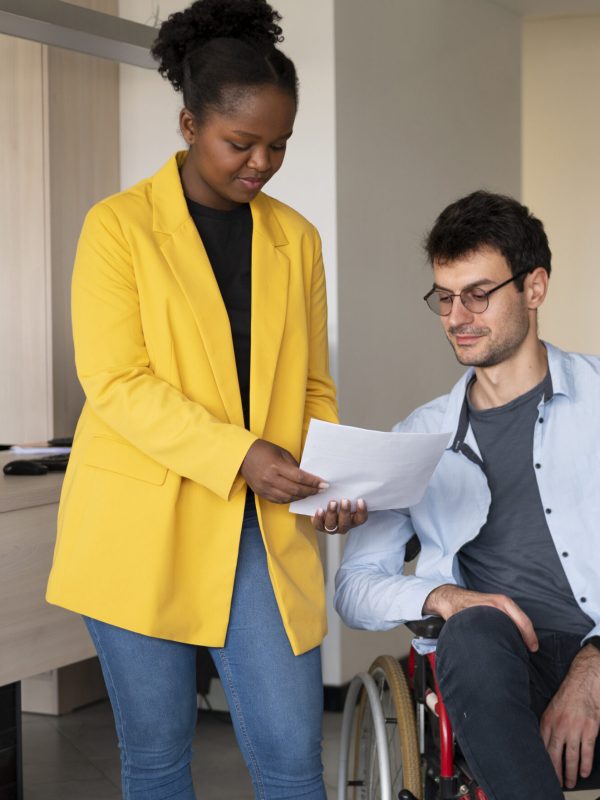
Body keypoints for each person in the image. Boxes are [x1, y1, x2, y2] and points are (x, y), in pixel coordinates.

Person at [46, 2, 364, 797]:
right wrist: (241, 453)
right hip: (139, 525)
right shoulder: (118, 228)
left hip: (259, 525)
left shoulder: (297, 240)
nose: (262, 163)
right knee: (157, 758)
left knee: (292, 758)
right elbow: (117, 382)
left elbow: (312, 385)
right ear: (190, 124)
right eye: (241, 142)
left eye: (279, 145)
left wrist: (330, 476)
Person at [334, 190, 600, 800]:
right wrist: (444, 596)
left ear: (534, 287)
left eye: (478, 294)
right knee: (474, 630)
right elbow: (353, 587)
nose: (458, 317)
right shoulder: (416, 439)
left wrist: (594, 664)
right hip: (501, 673)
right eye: (445, 297)